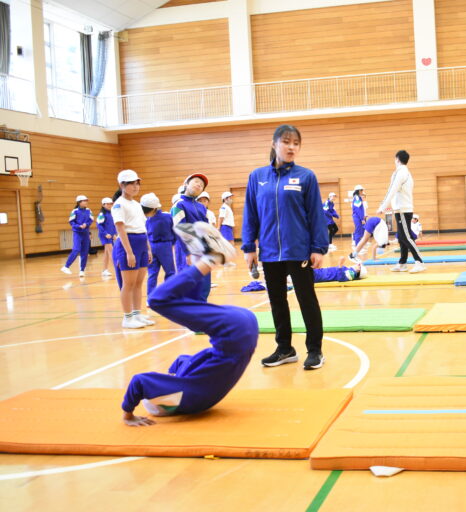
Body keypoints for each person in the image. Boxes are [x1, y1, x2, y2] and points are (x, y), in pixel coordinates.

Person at [121, 222, 256, 426]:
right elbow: (139, 382)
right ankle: (208, 261)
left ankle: (199, 258)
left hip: (244, 326)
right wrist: (128, 413)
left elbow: (182, 360)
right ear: (166, 401)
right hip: (234, 331)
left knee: (192, 310)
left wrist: (173, 375)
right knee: (158, 300)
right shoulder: (188, 396)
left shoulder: (199, 397)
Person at [242, 124, 328, 370]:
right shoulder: (257, 177)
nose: (291, 147)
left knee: (306, 300)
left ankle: (315, 350)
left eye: (296, 143)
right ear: (274, 144)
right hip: (269, 252)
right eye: (286, 142)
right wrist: (249, 247)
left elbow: (316, 215)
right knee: (277, 301)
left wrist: (318, 248)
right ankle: (285, 349)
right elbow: (251, 214)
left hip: (299, 250)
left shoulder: (305, 177)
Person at [112, 170, 154, 329]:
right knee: (128, 284)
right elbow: (120, 228)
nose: (136, 187)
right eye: (132, 183)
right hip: (128, 243)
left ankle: (137, 314)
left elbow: (143, 228)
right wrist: (129, 252)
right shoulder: (118, 204)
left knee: (138, 283)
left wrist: (148, 249)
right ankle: (127, 317)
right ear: (122, 185)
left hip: (141, 242)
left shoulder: (137, 205)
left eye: (137, 183)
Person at [378, 150, 425, 273]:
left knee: (406, 236)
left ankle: (419, 262)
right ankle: (402, 263)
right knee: (401, 237)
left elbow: (392, 190)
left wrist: (383, 207)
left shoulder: (401, 173)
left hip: (403, 210)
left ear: (397, 159)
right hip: (400, 210)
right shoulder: (403, 173)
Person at [171, 174, 211, 301]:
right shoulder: (179, 205)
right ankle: (188, 314)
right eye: (196, 182)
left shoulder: (201, 207)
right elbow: (180, 229)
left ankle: (202, 311)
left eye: (202, 185)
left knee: (204, 284)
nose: (199, 185)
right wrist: (187, 253)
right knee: (189, 284)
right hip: (187, 250)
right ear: (186, 184)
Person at [141, 193, 176, 297]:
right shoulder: (168, 216)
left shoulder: (147, 219)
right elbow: (175, 231)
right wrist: (172, 243)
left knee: (152, 273)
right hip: (164, 246)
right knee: (170, 272)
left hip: (151, 247)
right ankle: (169, 296)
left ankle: (150, 297)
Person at [61, 195, 93, 277]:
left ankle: (82, 270)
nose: (86, 202)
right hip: (78, 233)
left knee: (85, 252)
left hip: (85, 234)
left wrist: (87, 224)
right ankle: (66, 266)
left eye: (86, 200)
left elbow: (91, 219)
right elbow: (71, 222)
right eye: (84, 201)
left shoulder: (89, 211)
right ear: (79, 202)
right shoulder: (74, 211)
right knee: (76, 249)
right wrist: (79, 226)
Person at [96, 197, 117, 278]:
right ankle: (118, 269)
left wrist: (114, 234)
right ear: (103, 205)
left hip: (111, 235)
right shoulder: (102, 214)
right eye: (107, 204)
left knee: (107, 254)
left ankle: (104, 270)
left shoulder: (112, 213)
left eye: (110, 204)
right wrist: (105, 234)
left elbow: (113, 225)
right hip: (105, 236)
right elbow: (99, 225)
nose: (109, 205)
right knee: (111, 252)